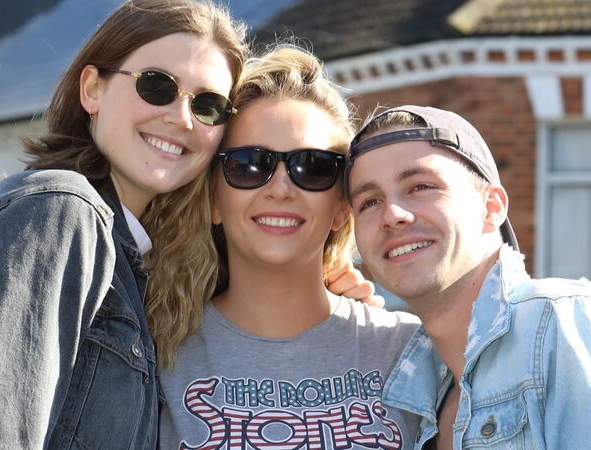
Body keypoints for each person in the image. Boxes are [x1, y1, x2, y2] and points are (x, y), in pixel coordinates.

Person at [0, 2, 375, 448]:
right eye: (157, 86)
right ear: (92, 89)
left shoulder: (131, 262)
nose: (180, 118)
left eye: (209, 106)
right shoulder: (59, 211)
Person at [345, 105, 591, 450]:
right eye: (369, 202)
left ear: (492, 208)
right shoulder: (417, 391)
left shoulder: (568, 323)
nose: (392, 213)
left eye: (421, 186)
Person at [158, 46, 422, 449]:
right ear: (213, 199)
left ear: (340, 207)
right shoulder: (155, 356)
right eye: (249, 164)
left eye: (312, 167)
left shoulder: (409, 352)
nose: (280, 188)